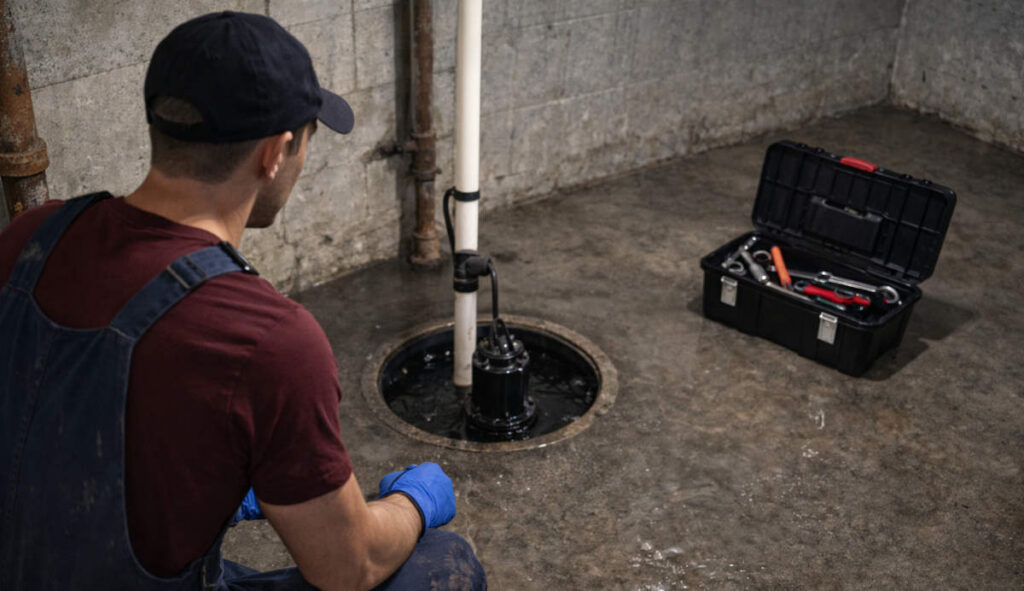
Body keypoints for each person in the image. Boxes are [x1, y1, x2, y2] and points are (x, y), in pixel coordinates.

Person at [0, 11, 485, 591]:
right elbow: (347, 568)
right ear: (275, 153)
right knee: (442, 562)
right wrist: (412, 502)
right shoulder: (267, 340)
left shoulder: (33, 234)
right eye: (306, 139)